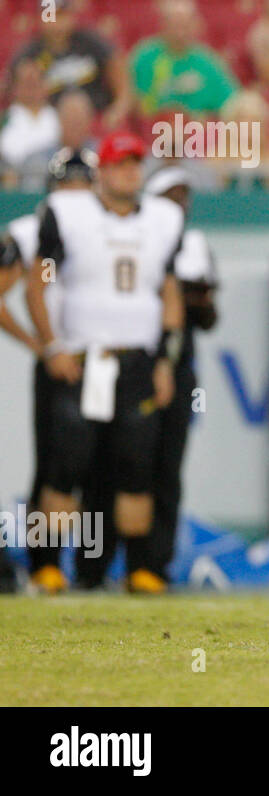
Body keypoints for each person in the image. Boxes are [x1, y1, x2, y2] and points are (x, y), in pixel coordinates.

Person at [24, 131, 185, 593]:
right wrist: (52, 344)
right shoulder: (69, 215)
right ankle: (44, 565)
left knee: (137, 466)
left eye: (135, 164)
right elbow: (40, 281)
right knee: (64, 465)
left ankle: (138, 568)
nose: (129, 172)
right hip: (83, 358)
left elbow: (168, 291)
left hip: (136, 360)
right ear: (101, 171)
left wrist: (165, 362)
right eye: (119, 164)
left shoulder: (161, 219)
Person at [0, 148, 95, 593]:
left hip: (101, 359)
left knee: (101, 465)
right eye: (69, 184)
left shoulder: (111, 227)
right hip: (59, 362)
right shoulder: (30, 229)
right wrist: (41, 345)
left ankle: (95, 564)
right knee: (54, 465)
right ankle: (45, 563)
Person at [142, 166, 219, 588]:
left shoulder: (195, 244)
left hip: (178, 364)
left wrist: (197, 296)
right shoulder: (135, 237)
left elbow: (208, 317)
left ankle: (155, 565)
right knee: (119, 463)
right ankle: (99, 562)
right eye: (171, 196)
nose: (180, 205)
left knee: (167, 467)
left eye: (184, 196)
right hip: (134, 360)